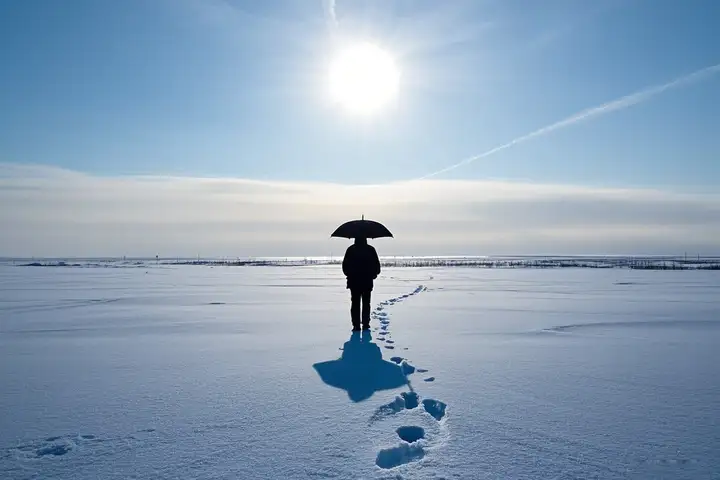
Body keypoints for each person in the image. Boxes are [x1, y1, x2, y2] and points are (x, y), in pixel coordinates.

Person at [342, 237, 381, 331]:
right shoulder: (370, 249)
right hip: (367, 281)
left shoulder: (351, 249)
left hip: (354, 282)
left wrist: (350, 275)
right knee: (366, 303)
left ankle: (356, 325)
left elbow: (345, 266)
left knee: (355, 304)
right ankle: (366, 324)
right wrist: (373, 275)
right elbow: (377, 266)